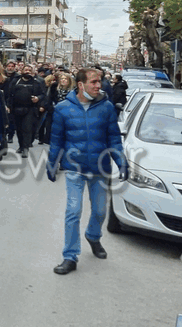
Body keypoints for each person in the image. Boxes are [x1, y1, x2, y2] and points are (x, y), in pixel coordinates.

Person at [47, 68, 128, 274]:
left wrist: (121, 161)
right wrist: (52, 163)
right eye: (93, 82)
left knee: (100, 211)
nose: (98, 85)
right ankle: (70, 256)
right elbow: (56, 140)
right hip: (74, 168)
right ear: (80, 85)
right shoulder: (63, 109)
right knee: (73, 211)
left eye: (99, 82)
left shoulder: (107, 107)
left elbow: (114, 139)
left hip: (99, 168)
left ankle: (93, 236)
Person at [8, 63, 47, 158]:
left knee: (27, 128)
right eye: (26, 70)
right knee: (19, 129)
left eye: (30, 70)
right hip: (16, 108)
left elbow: (43, 95)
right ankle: (21, 146)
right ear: (22, 71)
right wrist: (8, 106)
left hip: (30, 109)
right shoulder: (15, 81)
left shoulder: (36, 82)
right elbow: (9, 94)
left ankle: (26, 148)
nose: (27, 72)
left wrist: (37, 98)